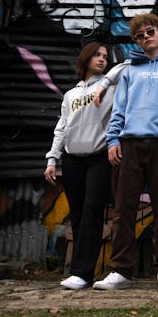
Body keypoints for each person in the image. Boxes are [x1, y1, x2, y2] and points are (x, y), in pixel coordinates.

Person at [93, 14, 158, 291]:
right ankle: (121, 270)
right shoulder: (128, 71)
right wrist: (113, 139)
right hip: (130, 144)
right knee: (123, 208)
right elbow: (119, 108)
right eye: (139, 36)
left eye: (150, 32)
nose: (145, 37)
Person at [44, 41, 114, 290]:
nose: (102, 59)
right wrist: (53, 159)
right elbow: (61, 128)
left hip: (99, 157)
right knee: (77, 214)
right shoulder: (70, 95)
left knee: (92, 212)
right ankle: (78, 271)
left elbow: (126, 66)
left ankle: (84, 273)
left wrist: (106, 82)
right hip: (72, 159)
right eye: (96, 55)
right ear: (84, 58)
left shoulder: (111, 89)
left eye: (105, 56)